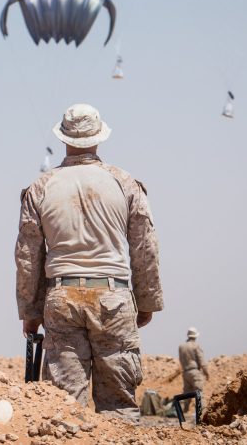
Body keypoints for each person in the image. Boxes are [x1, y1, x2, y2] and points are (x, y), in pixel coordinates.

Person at [15, 104, 163, 415]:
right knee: (120, 410)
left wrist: (30, 311)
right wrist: (147, 301)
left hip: (61, 300)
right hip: (113, 298)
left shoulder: (40, 188)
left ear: (63, 137)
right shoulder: (125, 183)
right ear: (99, 137)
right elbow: (144, 247)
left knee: (65, 409)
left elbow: (28, 256)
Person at [179, 327, 209, 396]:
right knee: (199, 395)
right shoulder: (195, 346)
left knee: (186, 396)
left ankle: (183, 407)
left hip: (185, 372)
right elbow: (201, 361)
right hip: (195, 372)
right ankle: (200, 407)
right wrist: (206, 372)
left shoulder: (181, 346)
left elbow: (181, 360)